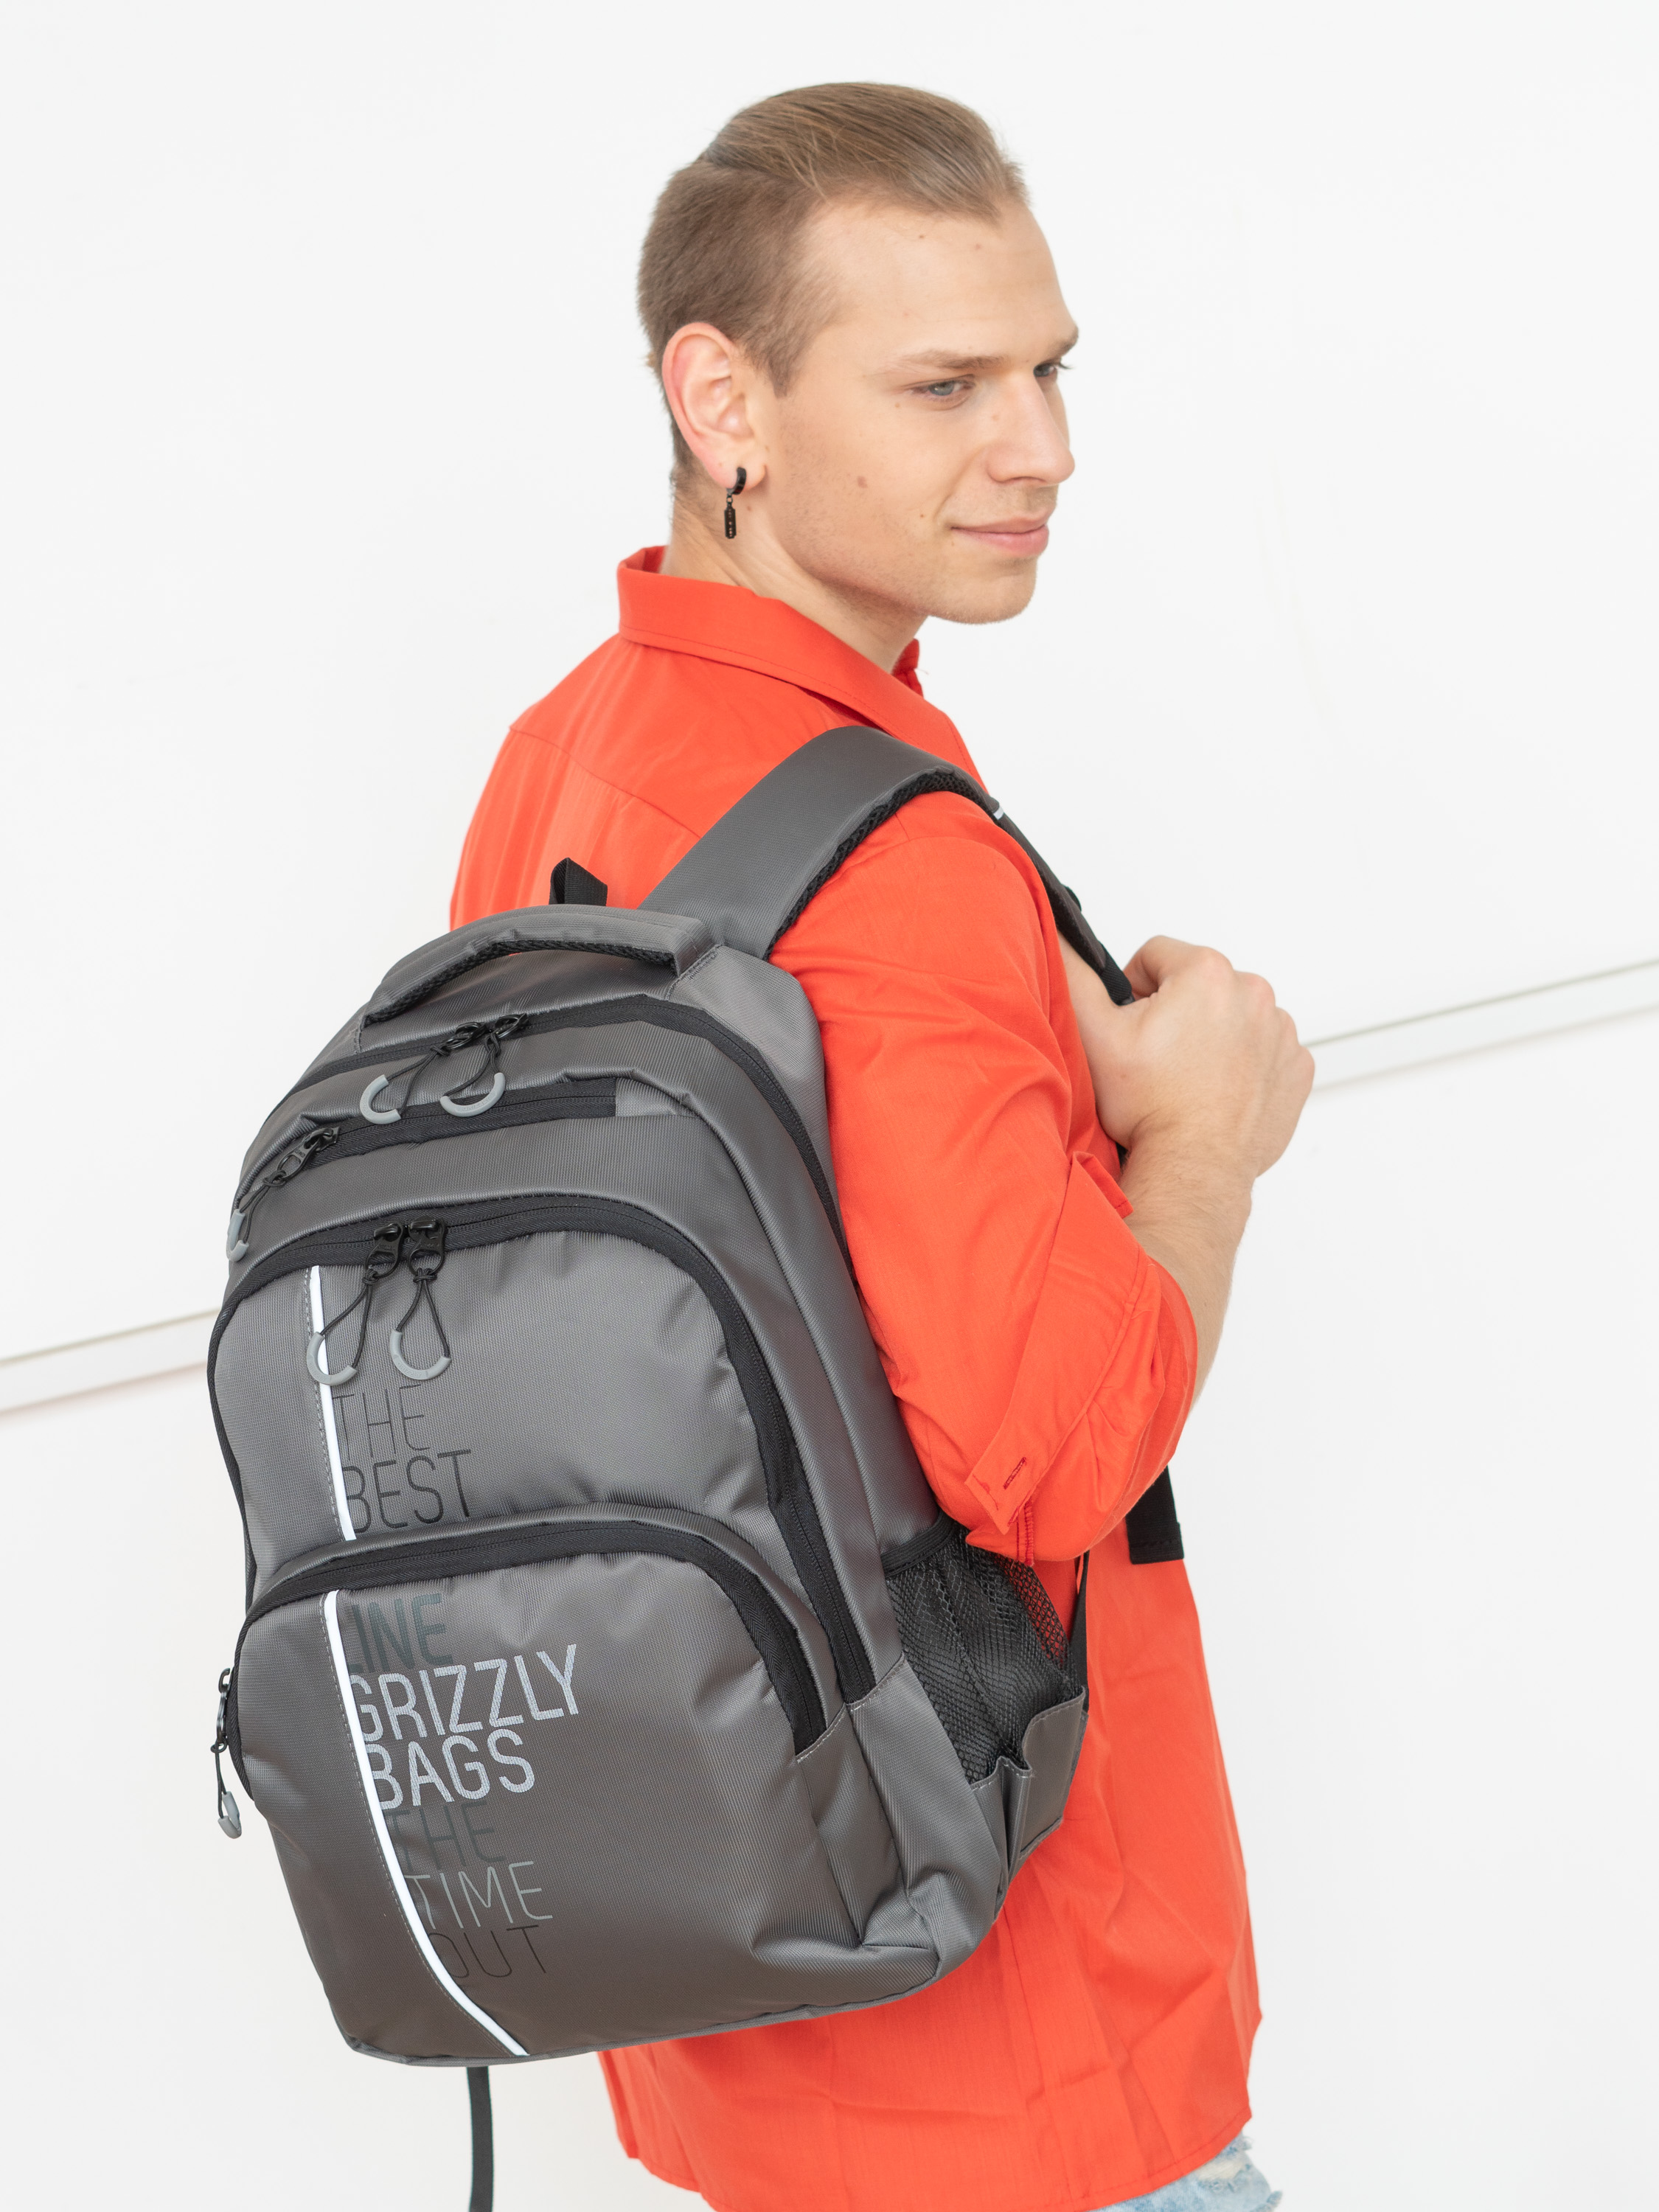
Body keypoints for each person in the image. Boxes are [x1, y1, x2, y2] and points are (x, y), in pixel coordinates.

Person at [451, 81, 1312, 2212]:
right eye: (946, 386)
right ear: (721, 399)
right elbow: (1044, 1456)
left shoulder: (564, 755)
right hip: (1018, 2041)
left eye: (1048, 371)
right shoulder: (894, 864)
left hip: (728, 1994)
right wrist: (1203, 1147)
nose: (1041, 448)